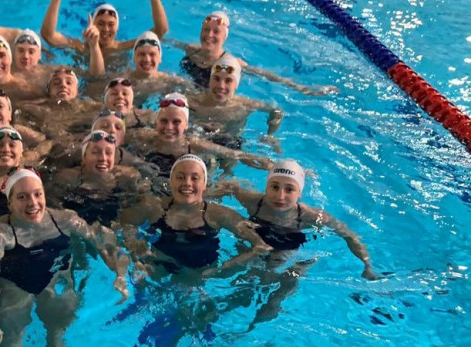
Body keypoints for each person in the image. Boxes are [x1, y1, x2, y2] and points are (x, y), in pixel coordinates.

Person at [0, 167, 130, 347]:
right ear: (10, 203)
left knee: (57, 339)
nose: (33, 203)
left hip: (56, 281)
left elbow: (103, 242)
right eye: (22, 197)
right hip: (16, 288)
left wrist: (119, 274)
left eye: (37, 194)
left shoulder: (65, 219)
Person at [222, 160, 376, 280]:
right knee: (239, 274)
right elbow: (226, 187)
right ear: (266, 187)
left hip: (287, 250)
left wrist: (367, 266)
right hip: (254, 243)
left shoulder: (312, 216)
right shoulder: (253, 201)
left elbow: (349, 235)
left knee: (284, 286)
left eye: (289, 189)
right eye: (274, 187)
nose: (280, 196)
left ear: (299, 193)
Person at [119, 154, 271, 275]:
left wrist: (222, 270)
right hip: (158, 266)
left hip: (197, 275)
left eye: (195, 178)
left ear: (204, 184)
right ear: (170, 181)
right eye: (180, 177)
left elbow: (261, 245)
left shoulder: (219, 214)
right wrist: (137, 252)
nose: (187, 183)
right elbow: (122, 226)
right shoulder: (153, 206)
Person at [172, 11, 336, 94]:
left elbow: (265, 75)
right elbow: (165, 42)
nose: (209, 35)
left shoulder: (231, 63)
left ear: (225, 37)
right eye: (206, 30)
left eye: (216, 32)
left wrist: (301, 88)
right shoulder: (191, 50)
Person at [142, 92, 273, 185]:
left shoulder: (193, 144)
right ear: (156, 122)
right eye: (164, 121)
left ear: (186, 125)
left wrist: (263, 161)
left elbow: (230, 153)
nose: (169, 127)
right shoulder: (144, 138)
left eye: (176, 122)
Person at [48, 130, 146, 226]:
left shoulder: (126, 176)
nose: (103, 158)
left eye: (108, 153)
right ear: (84, 157)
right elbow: (52, 205)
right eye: (95, 152)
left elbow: (137, 201)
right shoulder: (68, 178)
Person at [187, 56, 284, 152]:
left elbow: (277, 111)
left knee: (230, 161)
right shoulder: (193, 102)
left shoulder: (244, 106)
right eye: (216, 79)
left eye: (228, 81)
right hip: (199, 143)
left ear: (236, 85)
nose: (221, 86)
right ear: (210, 81)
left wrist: (270, 135)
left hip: (231, 143)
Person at [89, 31, 190, 101]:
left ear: (160, 59)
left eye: (152, 54)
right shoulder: (120, 81)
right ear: (134, 58)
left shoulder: (172, 82)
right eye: (141, 54)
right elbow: (94, 87)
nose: (147, 59)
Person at [41, 1, 169, 54]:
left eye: (111, 25)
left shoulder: (123, 47)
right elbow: (48, 35)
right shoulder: (80, 47)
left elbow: (160, 30)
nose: (106, 29)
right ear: (91, 25)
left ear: (117, 29)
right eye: (100, 24)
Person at [0, 89, 50, 164]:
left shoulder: (19, 131)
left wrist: (32, 155)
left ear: (9, 115)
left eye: (0, 106)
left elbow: (48, 142)